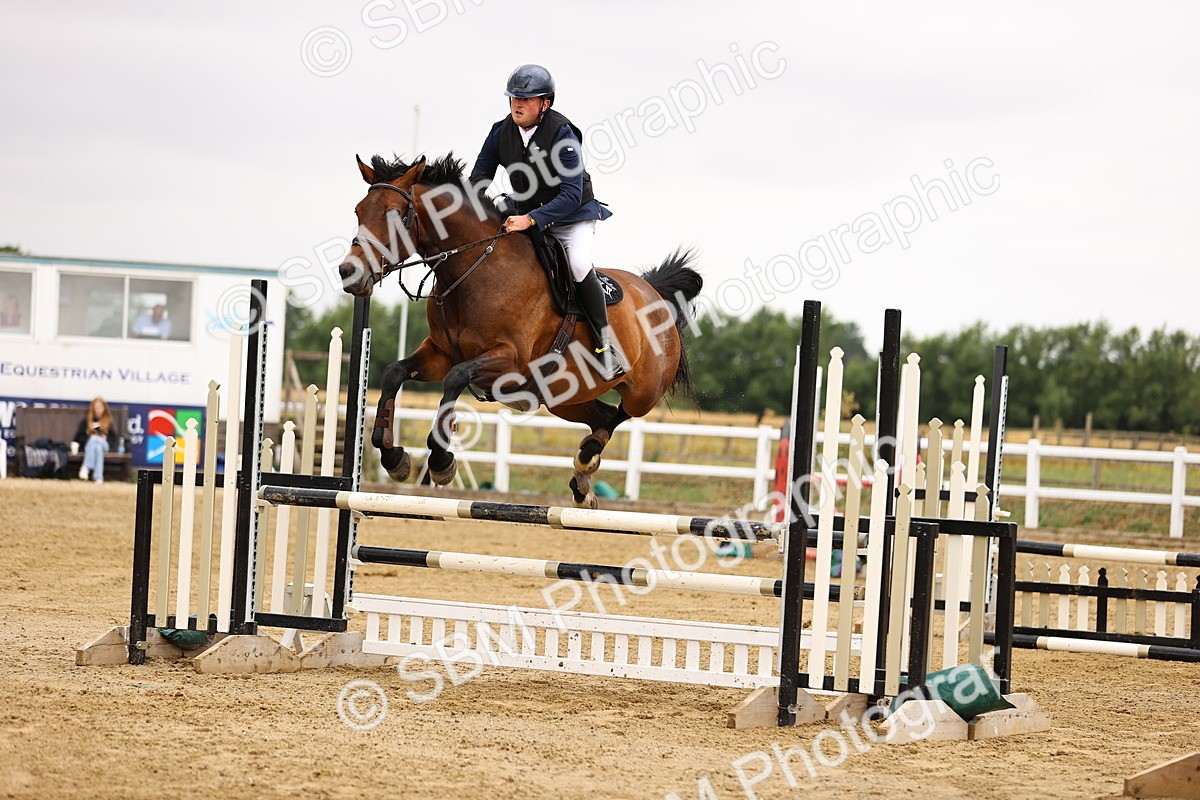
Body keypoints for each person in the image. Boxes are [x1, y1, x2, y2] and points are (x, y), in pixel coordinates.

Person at [469, 64, 624, 380]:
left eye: (526, 99)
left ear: (546, 103)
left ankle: (605, 347)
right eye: (514, 97)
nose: (517, 104)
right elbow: (479, 178)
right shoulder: (500, 132)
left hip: (571, 217)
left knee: (579, 264)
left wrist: (530, 219)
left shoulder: (562, 133)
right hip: (526, 214)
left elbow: (570, 194)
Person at [75, 397, 117, 483]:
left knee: (97, 441)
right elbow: (79, 438)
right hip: (91, 446)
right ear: (93, 409)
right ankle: (98, 477)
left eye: (101, 407)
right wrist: (90, 436)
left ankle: (86, 467)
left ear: (104, 408)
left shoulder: (109, 421)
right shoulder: (86, 421)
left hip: (105, 445)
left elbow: (113, 438)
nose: (98, 410)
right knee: (97, 447)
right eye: (96, 408)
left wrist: (104, 438)